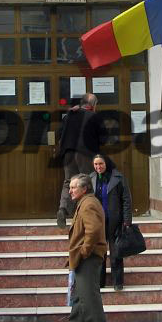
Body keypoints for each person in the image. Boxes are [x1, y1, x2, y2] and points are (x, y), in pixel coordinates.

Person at [55, 174, 108, 322]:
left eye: (73, 187)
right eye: (70, 187)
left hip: (88, 257)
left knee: (89, 295)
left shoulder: (89, 204)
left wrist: (84, 252)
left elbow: (93, 231)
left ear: (84, 189)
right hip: (83, 256)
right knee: (79, 293)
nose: (70, 191)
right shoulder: (84, 202)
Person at [56, 93, 105, 228]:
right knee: (88, 181)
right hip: (86, 153)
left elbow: (59, 133)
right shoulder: (94, 117)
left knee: (68, 182)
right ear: (93, 105)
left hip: (68, 153)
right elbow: (103, 138)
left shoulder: (68, 116)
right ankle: (88, 213)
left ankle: (63, 209)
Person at [90, 154, 132, 291]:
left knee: (116, 253)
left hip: (115, 222)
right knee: (99, 253)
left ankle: (118, 283)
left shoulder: (118, 178)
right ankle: (99, 282)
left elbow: (126, 200)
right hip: (98, 222)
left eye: (101, 164)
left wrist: (127, 221)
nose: (98, 167)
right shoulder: (91, 178)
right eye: (96, 164)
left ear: (106, 163)